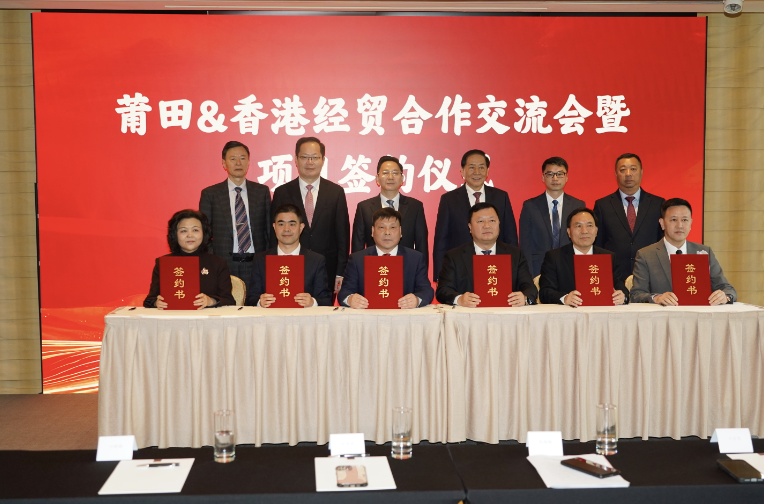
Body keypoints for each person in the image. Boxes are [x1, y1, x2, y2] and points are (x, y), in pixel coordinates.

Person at [271, 137, 350, 299]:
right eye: (304, 157)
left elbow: (342, 235)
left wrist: (340, 272)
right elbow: (273, 234)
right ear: (296, 160)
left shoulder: (335, 192)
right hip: (289, 266)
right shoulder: (282, 192)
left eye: (314, 157)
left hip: (327, 268)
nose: (310, 162)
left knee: (324, 311)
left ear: (323, 160)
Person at [631, 198, 736, 305]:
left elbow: (727, 288)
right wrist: (656, 298)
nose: (679, 225)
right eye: (673, 220)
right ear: (662, 223)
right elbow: (636, 295)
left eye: (684, 220)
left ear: (691, 223)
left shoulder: (704, 252)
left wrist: (725, 296)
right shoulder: (646, 255)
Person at [432, 149, 518, 281]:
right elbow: (441, 241)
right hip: (460, 268)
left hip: (495, 266)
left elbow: (510, 236)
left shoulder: (501, 197)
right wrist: (440, 276)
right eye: (472, 167)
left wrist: (514, 271)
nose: (477, 172)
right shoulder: (449, 199)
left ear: (487, 171)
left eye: (481, 167)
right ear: (462, 171)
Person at [436, 202, 536, 307]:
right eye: (480, 221)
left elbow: (530, 288)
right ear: (470, 227)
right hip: (469, 314)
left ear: (499, 224)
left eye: (492, 221)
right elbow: (443, 290)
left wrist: (524, 297)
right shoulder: (454, 256)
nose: (487, 226)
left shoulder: (515, 254)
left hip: (506, 314)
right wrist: (459, 299)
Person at [199, 141, 271, 284]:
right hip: (224, 263)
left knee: (256, 298)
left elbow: (268, 230)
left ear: (248, 162)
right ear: (224, 163)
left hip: (256, 263)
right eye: (233, 159)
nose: (238, 163)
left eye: (242, 158)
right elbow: (204, 233)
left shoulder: (261, 192)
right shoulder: (211, 194)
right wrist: (214, 258)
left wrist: (267, 258)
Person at [339, 208, 433, 309]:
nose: (387, 232)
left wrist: (416, 299)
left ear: (400, 231)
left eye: (392, 227)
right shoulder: (357, 259)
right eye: (381, 227)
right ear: (373, 231)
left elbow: (427, 291)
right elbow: (344, 292)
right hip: (369, 316)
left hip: (404, 316)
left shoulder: (415, 259)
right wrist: (350, 299)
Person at [593, 153, 665, 280]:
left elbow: (662, 241)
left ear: (641, 172)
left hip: (650, 274)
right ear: (616, 174)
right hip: (614, 276)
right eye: (622, 170)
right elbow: (598, 244)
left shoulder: (657, 204)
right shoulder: (602, 205)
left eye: (633, 169)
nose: (628, 174)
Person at [144, 209, 235, 309]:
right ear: (175, 235)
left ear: (204, 233)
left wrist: (211, 301)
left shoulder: (218, 263)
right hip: (173, 316)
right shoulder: (163, 263)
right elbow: (149, 300)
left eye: (195, 230)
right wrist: (156, 303)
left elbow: (229, 300)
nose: (190, 235)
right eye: (183, 231)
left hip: (205, 317)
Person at [246, 204, 332, 307]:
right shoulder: (260, 260)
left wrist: (312, 302)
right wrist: (260, 302)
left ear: (301, 227)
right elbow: (250, 299)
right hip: (270, 316)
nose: (286, 229)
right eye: (281, 224)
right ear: (274, 227)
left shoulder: (316, 260)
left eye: (292, 224)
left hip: (303, 316)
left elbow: (326, 300)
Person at [539, 207, 628, 306]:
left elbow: (621, 288)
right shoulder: (554, 257)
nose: (584, 231)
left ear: (596, 230)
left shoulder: (609, 257)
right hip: (569, 313)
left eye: (589, 225)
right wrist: (565, 298)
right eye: (578, 226)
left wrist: (622, 296)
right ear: (569, 232)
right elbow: (545, 292)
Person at [351, 156, 428, 270]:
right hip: (373, 270)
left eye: (395, 173)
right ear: (377, 178)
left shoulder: (415, 206)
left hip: (407, 269)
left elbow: (422, 244)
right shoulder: (364, 207)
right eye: (385, 173)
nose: (390, 177)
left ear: (402, 178)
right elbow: (358, 245)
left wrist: (422, 272)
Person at [519, 157, 586, 277]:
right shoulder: (530, 206)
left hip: (571, 268)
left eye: (560, 174)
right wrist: (528, 275)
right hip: (539, 269)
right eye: (550, 174)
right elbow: (525, 244)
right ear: (543, 177)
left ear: (566, 177)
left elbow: (583, 240)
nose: (555, 178)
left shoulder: (578, 205)